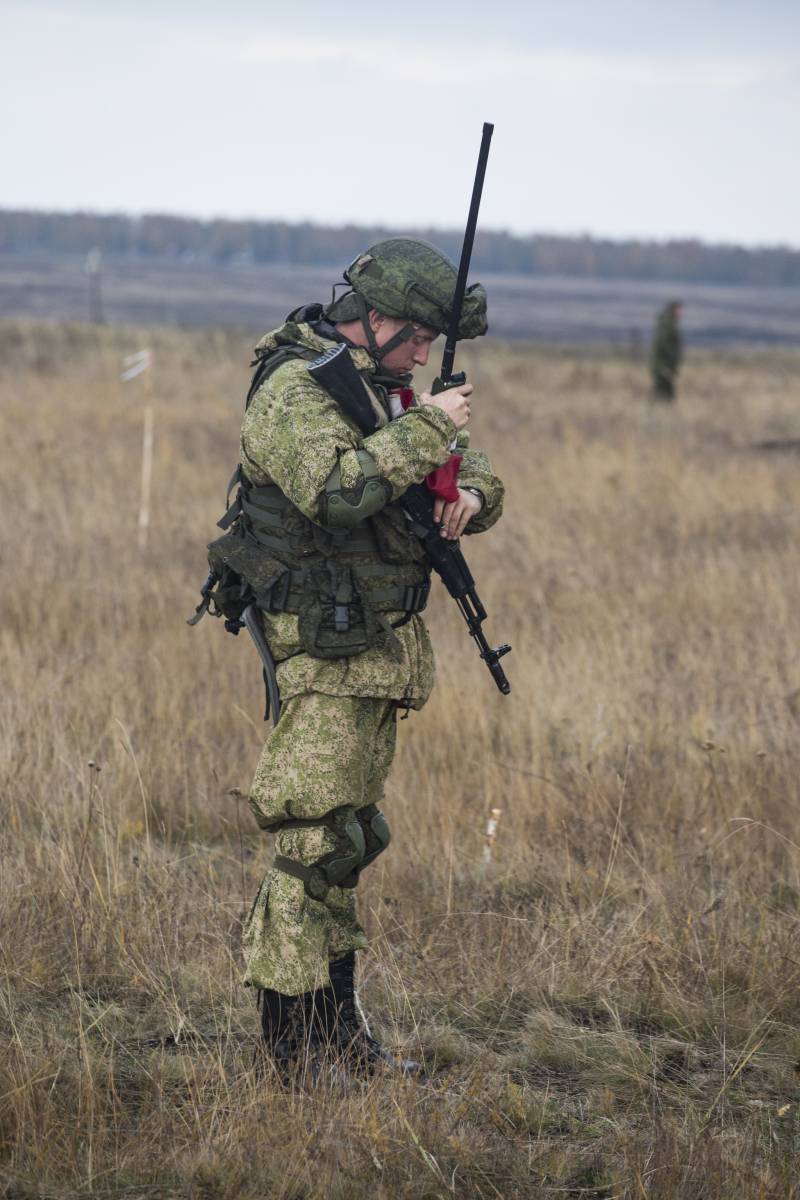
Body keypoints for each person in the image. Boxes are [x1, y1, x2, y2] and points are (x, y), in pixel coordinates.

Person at [205, 238, 504, 1077]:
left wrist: (471, 492)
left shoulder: (390, 389)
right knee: (312, 839)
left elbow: (467, 466)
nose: (423, 358)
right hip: (321, 645)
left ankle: (341, 1034)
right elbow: (338, 490)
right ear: (374, 319)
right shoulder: (296, 389)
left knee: (350, 839)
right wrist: (426, 428)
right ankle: (291, 1050)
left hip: (375, 647)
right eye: (415, 339)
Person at [650, 300, 683, 400]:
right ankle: (657, 413)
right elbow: (662, 345)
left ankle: (659, 412)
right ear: (673, 310)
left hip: (664, 366)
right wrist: (666, 365)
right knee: (663, 394)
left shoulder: (669, 324)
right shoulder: (666, 325)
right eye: (679, 310)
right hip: (663, 366)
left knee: (664, 393)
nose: (681, 313)